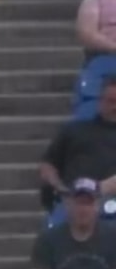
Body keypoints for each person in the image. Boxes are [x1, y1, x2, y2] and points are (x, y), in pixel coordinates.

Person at [29, 177, 116, 269]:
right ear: (68, 205)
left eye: (88, 203)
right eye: (78, 203)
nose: (83, 209)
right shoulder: (47, 240)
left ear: (97, 206)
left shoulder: (113, 237)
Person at [40, 79, 116, 210]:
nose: (115, 107)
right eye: (111, 101)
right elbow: (48, 165)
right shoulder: (74, 130)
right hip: (73, 202)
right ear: (100, 102)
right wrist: (59, 187)